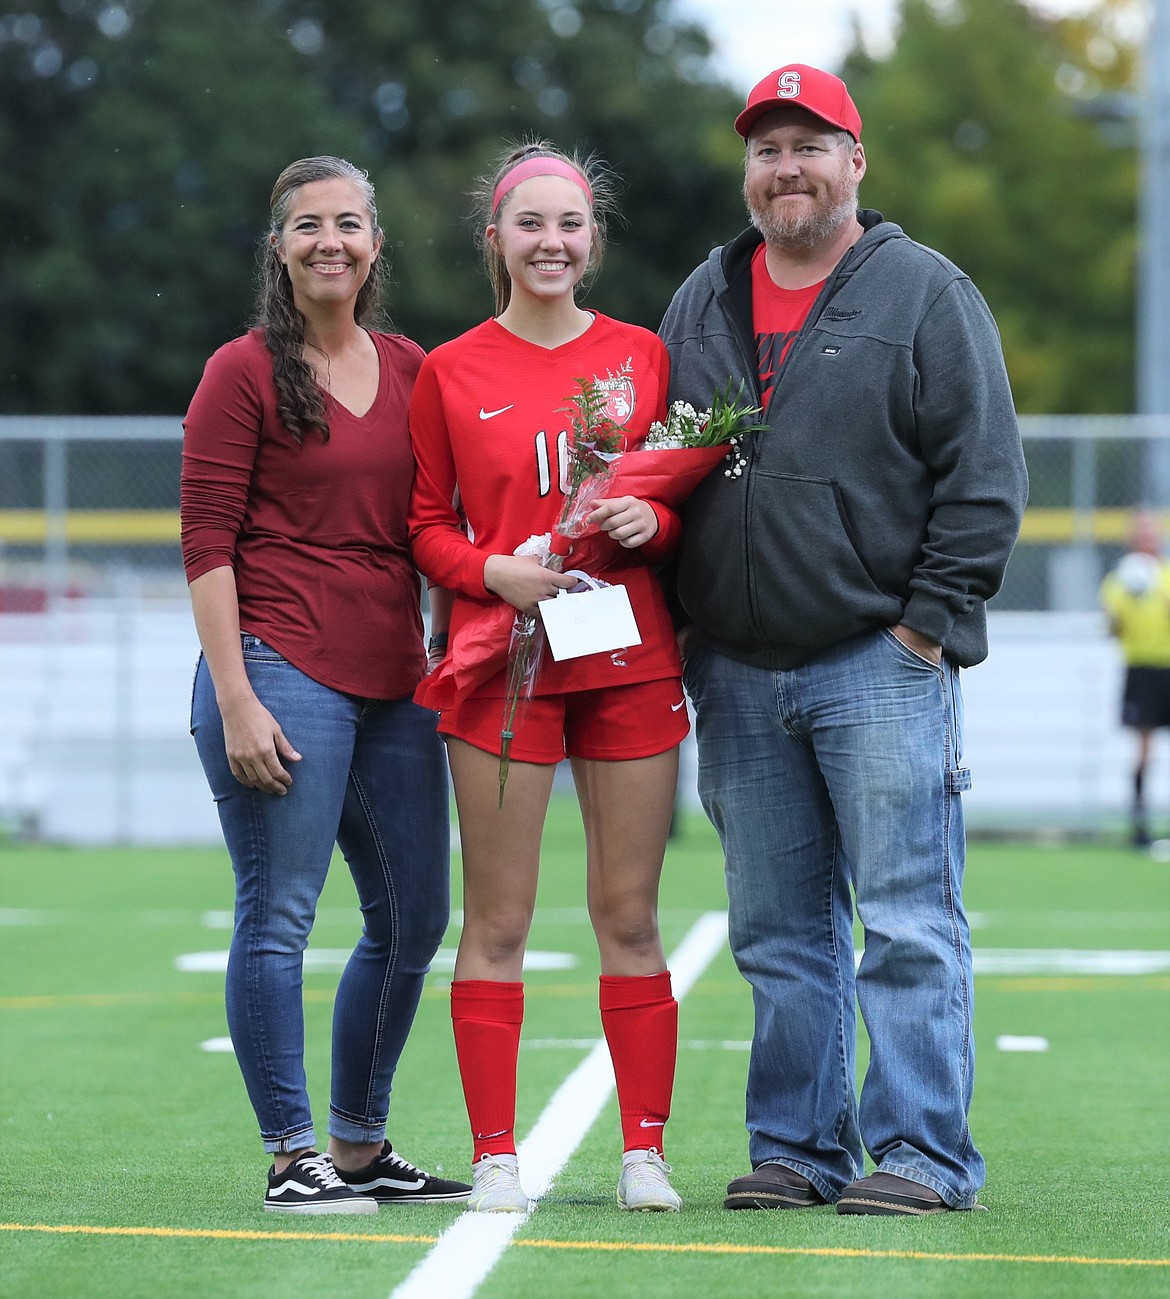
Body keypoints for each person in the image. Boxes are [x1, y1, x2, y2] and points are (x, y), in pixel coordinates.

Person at [659, 65, 1028, 1215]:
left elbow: (986, 478)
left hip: (879, 658)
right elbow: (658, 468)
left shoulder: (926, 292)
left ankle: (923, 1155)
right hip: (736, 665)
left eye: (809, 145)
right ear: (749, 172)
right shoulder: (702, 298)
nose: (787, 169)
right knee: (776, 932)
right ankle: (799, 1150)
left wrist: (926, 629)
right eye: (767, 150)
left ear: (855, 160)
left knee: (909, 920)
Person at [181, 155, 471, 1214]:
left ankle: (357, 1145)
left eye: (349, 223)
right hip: (277, 667)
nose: (330, 242)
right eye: (308, 226)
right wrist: (238, 693)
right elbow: (205, 543)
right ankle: (289, 1154)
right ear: (278, 248)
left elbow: (438, 522)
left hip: (395, 681)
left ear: (378, 243)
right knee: (280, 918)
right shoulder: (242, 371)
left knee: (414, 916)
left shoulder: (412, 368)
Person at [407, 141, 689, 1214]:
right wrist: (494, 573)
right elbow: (426, 527)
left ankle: (644, 1154)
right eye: (529, 224)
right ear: (496, 240)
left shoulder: (640, 356)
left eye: (569, 225)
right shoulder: (451, 368)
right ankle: (494, 1156)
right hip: (500, 665)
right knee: (500, 919)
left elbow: (675, 504)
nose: (551, 243)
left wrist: (647, 517)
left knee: (629, 913)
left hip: (626, 657)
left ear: (594, 239)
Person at [1099, 511, 1170, 848]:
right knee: (1144, 748)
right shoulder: (1119, 582)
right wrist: (1117, 615)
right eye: (1140, 534)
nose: (1146, 539)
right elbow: (1113, 630)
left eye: (1150, 533)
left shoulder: (1167, 576)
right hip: (1141, 669)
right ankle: (1140, 826)